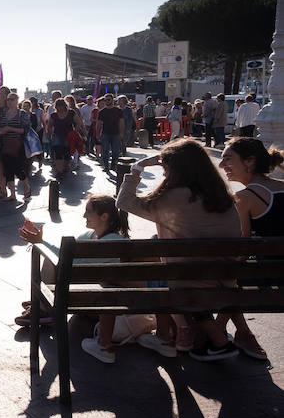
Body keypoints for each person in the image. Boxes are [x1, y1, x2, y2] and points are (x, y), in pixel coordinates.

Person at [116, 139, 240, 361]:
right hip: (226, 279)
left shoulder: (172, 198)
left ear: (176, 169)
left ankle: (212, 341)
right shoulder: (222, 196)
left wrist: (138, 168)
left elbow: (124, 202)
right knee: (182, 266)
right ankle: (207, 339)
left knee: (162, 269)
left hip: (191, 283)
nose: (164, 173)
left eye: (165, 168)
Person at [16, 195, 129, 363]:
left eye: (88, 211)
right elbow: (66, 254)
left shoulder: (112, 242)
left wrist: (41, 243)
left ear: (104, 216)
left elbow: (71, 262)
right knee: (54, 258)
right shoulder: (92, 235)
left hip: (99, 304)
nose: (84, 215)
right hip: (98, 300)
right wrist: (41, 242)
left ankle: (43, 308)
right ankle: (41, 305)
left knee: (50, 259)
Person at [216, 137, 284, 360]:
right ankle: (235, 334)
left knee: (224, 273)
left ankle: (217, 332)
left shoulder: (245, 198)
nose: (221, 164)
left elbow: (242, 248)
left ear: (249, 161)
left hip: (271, 278)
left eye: (227, 158)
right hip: (276, 272)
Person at [0, 92, 30, 201]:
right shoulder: (3, 114)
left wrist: (9, 129)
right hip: (5, 143)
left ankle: (26, 186)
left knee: (17, 168)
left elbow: (25, 130)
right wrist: (0, 132)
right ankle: (13, 194)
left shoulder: (22, 114)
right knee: (7, 169)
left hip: (17, 143)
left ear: (17, 100)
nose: (9, 102)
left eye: (12, 99)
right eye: (8, 100)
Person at [46, 99, 74, 178]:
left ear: (64, 105)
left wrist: (76, 132)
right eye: (58, 105)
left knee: (67, 154)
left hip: (69, 136)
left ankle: (65, 167)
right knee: (58, 153)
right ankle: (59, 171)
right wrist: (48, 134)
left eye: (61, 105)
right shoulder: (53, 115)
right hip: (57, 135)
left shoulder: (71, 113)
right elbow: (49, 125)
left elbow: (78, 122)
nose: (60, 107)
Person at [97, 95, 124, 171]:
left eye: (108, 100)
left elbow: (121, 122)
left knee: (116, 151)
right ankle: (106, 166)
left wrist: (121, 133)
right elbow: (98, 123)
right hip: (105, 133)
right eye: (105, 100)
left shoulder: (118, 111)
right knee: (105, 151)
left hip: (116, 133)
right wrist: (97, 134)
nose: (107, 102)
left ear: (112, 100)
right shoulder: (102, 111)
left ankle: (113, 165)